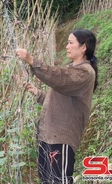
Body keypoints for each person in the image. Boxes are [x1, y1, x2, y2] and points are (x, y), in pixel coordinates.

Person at [16, 29, 98, 183]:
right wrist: (37, 92)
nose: (67, 46)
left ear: (83, 47)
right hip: (48, 137)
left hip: (61, 141)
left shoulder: (85, 73)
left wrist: (32, 61)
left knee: (58, 180)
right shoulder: (73, 70)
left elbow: (59, 78)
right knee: (47, 180)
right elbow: (58, 100)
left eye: (70, 42)